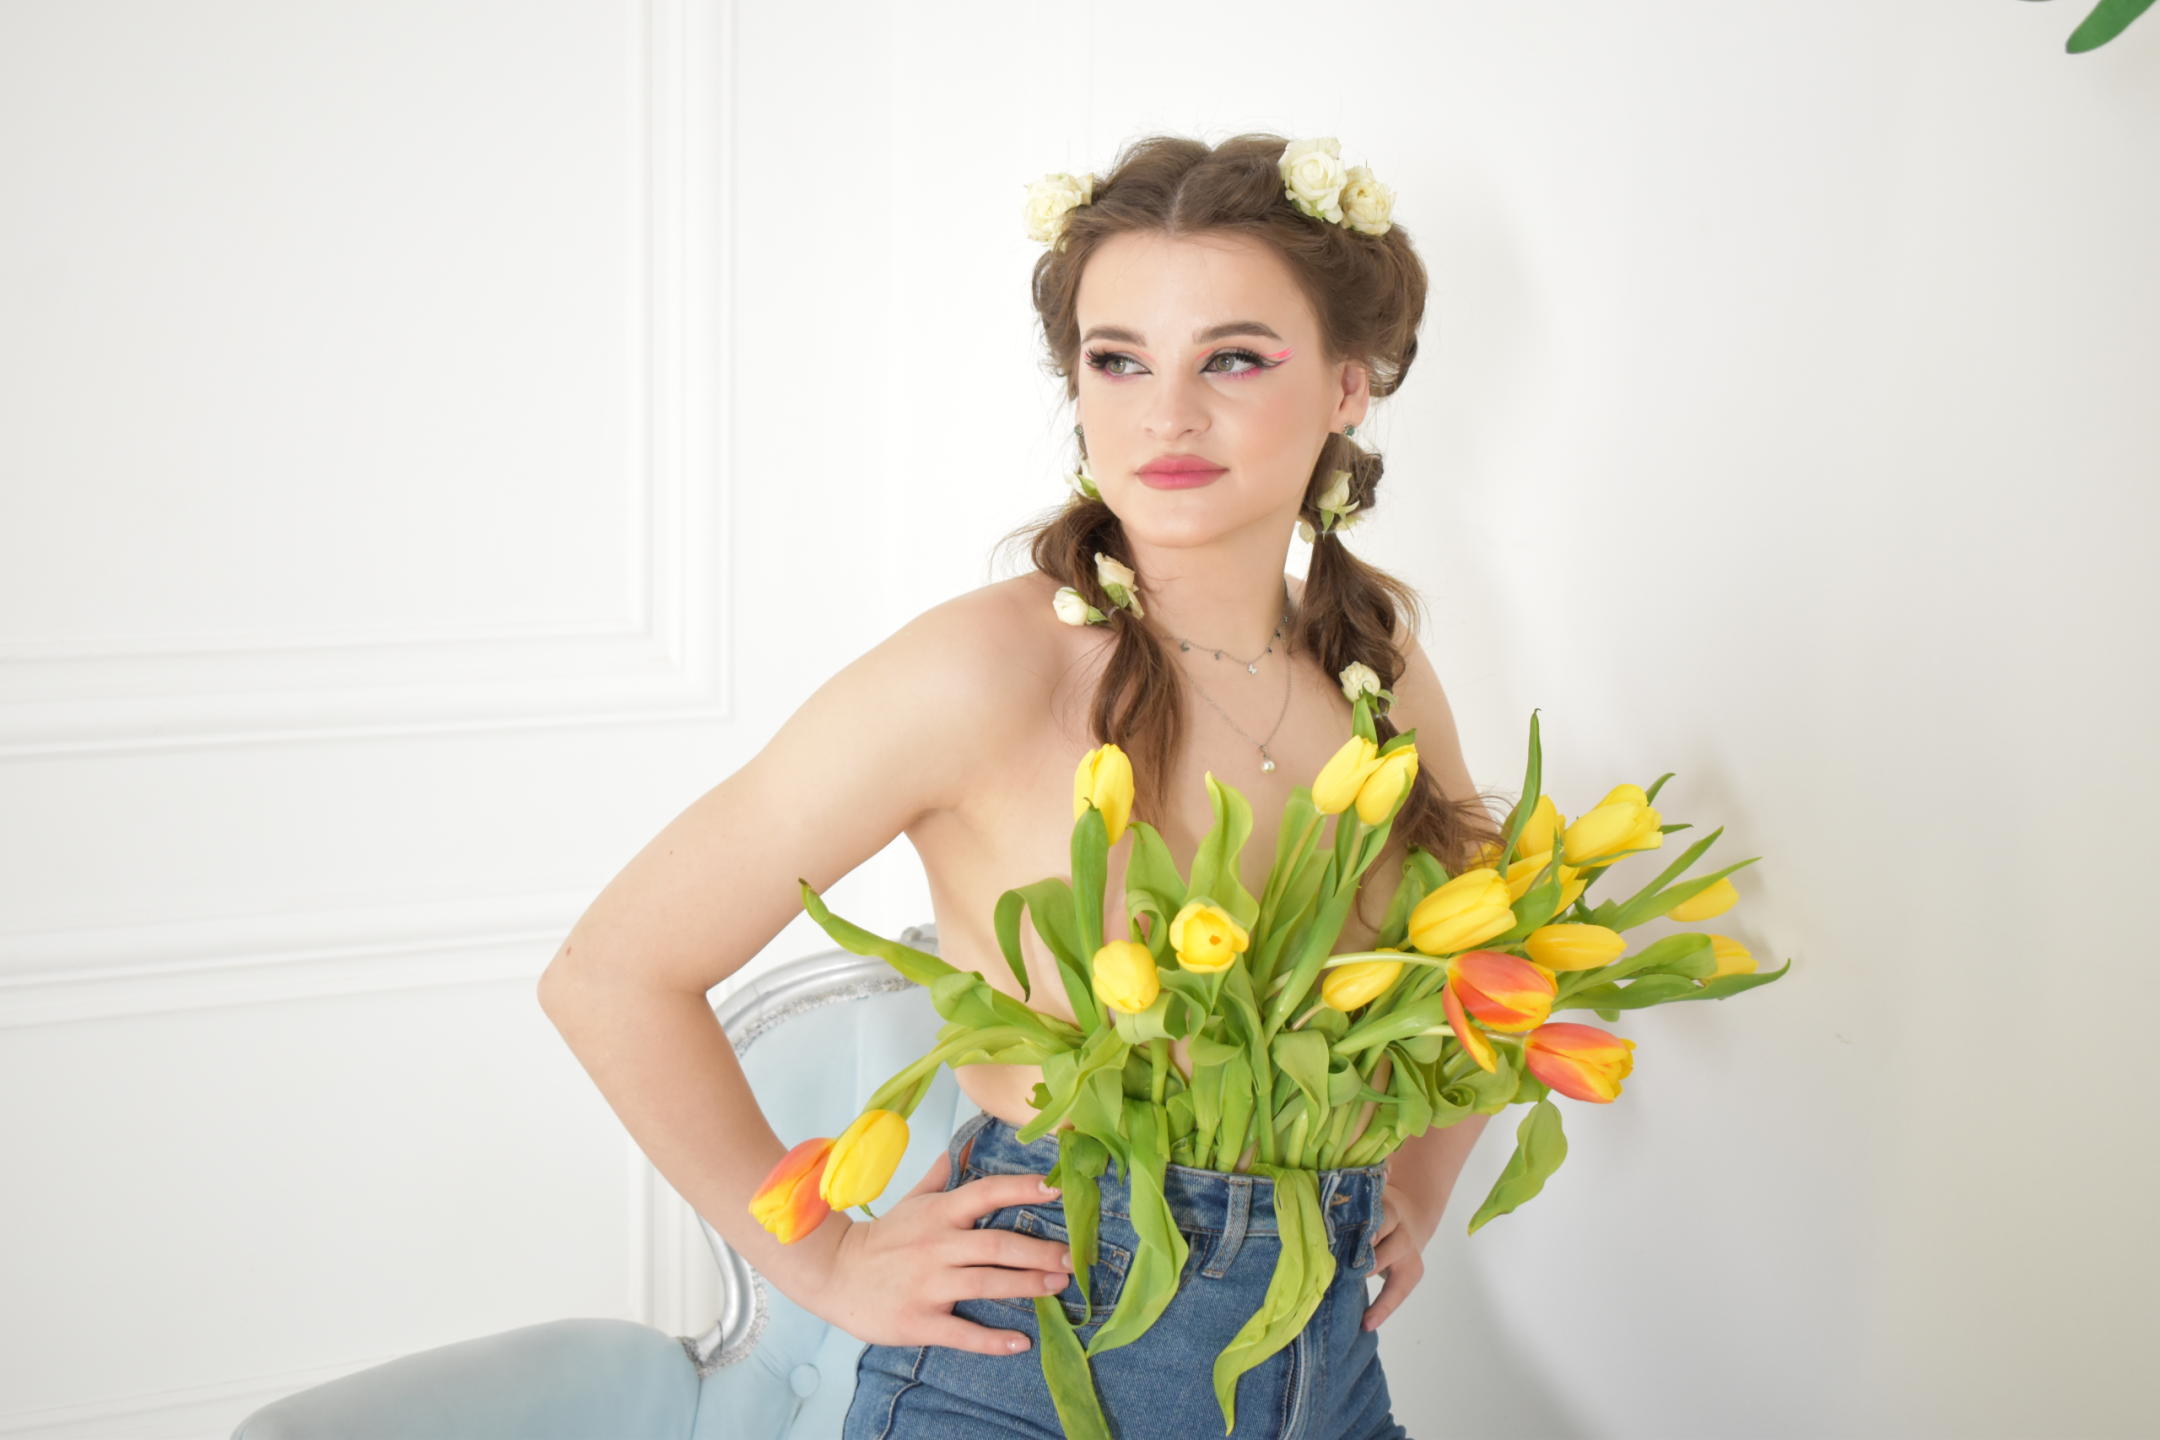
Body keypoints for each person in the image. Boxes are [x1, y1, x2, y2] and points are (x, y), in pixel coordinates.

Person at [539, 130, 1507, 1438]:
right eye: (1119, 360)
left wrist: (1417, 1187)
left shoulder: (1374, 667)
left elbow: (1492, 957)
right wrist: (826, 1261)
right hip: (1028, 1378)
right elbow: (612, 972)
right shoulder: (982, 671)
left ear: (1347, 384)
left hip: (1326, 1381)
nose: (1166, 414)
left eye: (1233, 358)